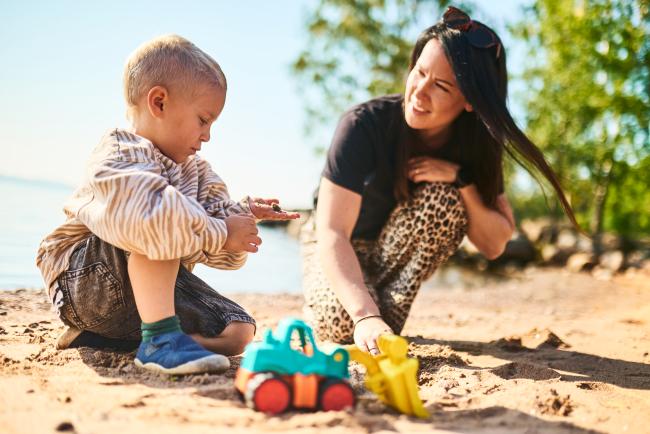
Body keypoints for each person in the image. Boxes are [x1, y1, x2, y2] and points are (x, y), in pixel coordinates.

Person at [301, 7, 579, 355]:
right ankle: (340, 308)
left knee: (447, 198)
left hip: (393, 254)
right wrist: (365, 315)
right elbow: (332, 233)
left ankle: (376, 312)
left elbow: (494, 244)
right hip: (340, 242)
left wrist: (461, 181)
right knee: (347, 324)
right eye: (419, 73)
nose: (419, 92)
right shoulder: (363, 125)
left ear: (469, 102)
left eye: (441, 86)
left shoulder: (478, 147)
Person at [36, 34, 299, 375]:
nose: (207, 135)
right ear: (158, 103)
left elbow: (222, 253)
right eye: (203, 120)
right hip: (84, 282)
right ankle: (161, 342)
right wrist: (219, 230)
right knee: (158, 222)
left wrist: (240, 219)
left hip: (140, 297)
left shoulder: (197, 172)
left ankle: (143, 338)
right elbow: (150, 220)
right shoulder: (120, 152)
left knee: (239, 331)